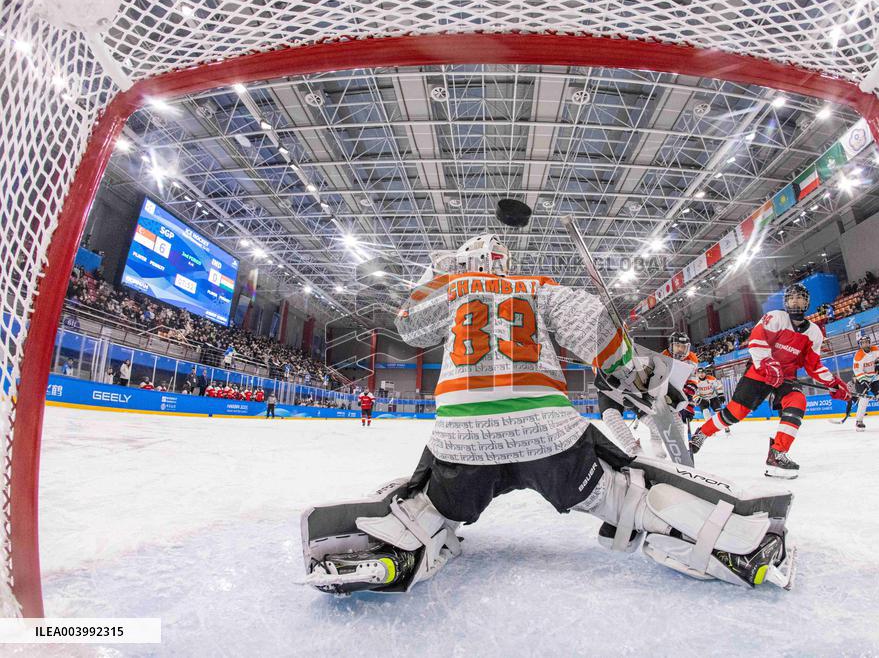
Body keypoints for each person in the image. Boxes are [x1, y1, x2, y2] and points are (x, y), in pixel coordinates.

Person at [301, 233, 795, 596]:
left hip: (462, 438)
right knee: (623, 494)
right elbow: (594, 325)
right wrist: (635, 371)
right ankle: (735, 540)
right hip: (546, 433)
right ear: (504, 261)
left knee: (437, 501)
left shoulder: (452, 289)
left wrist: (438, 274)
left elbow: (408, 326)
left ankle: (395, 539)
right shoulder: (535, 286)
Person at [689, 283, 851, 478]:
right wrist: (768, 363)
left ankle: (777, 453)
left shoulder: (814, 332)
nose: (795, 301)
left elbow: (814, 365)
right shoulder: (776, 317)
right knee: (735, 413)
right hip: (760, 371)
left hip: (786, 377)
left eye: (800, 298)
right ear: (786, 302)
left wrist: (833, 384)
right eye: (792, 298)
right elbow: (757, 341)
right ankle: (703, 433)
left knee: (798, 401)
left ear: (807, 302)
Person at [852, 335, 879, 430]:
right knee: (864, 400)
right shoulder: (858, 355)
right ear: (860, 344)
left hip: (874, 378)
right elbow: (857, 371)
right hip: (862, 380)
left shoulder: (875, 349)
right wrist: (863, 381)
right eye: (862, 343)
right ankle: (859, 421)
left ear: (869, 342)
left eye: (866, 342)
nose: (864, 344)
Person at [694, 367, 729, 434]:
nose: (701, 374)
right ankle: (711, 430)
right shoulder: (695, 381)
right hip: (702, 399)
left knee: (719, 413)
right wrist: (697, 399)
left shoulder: (711, 378)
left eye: (703, 373)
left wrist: (721, 394)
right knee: (706, 414)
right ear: (697, 374)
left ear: (705, 373)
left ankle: (726, 427)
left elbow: (718, 386)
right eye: (699, 373)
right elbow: (693, 392)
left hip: (713, 397)